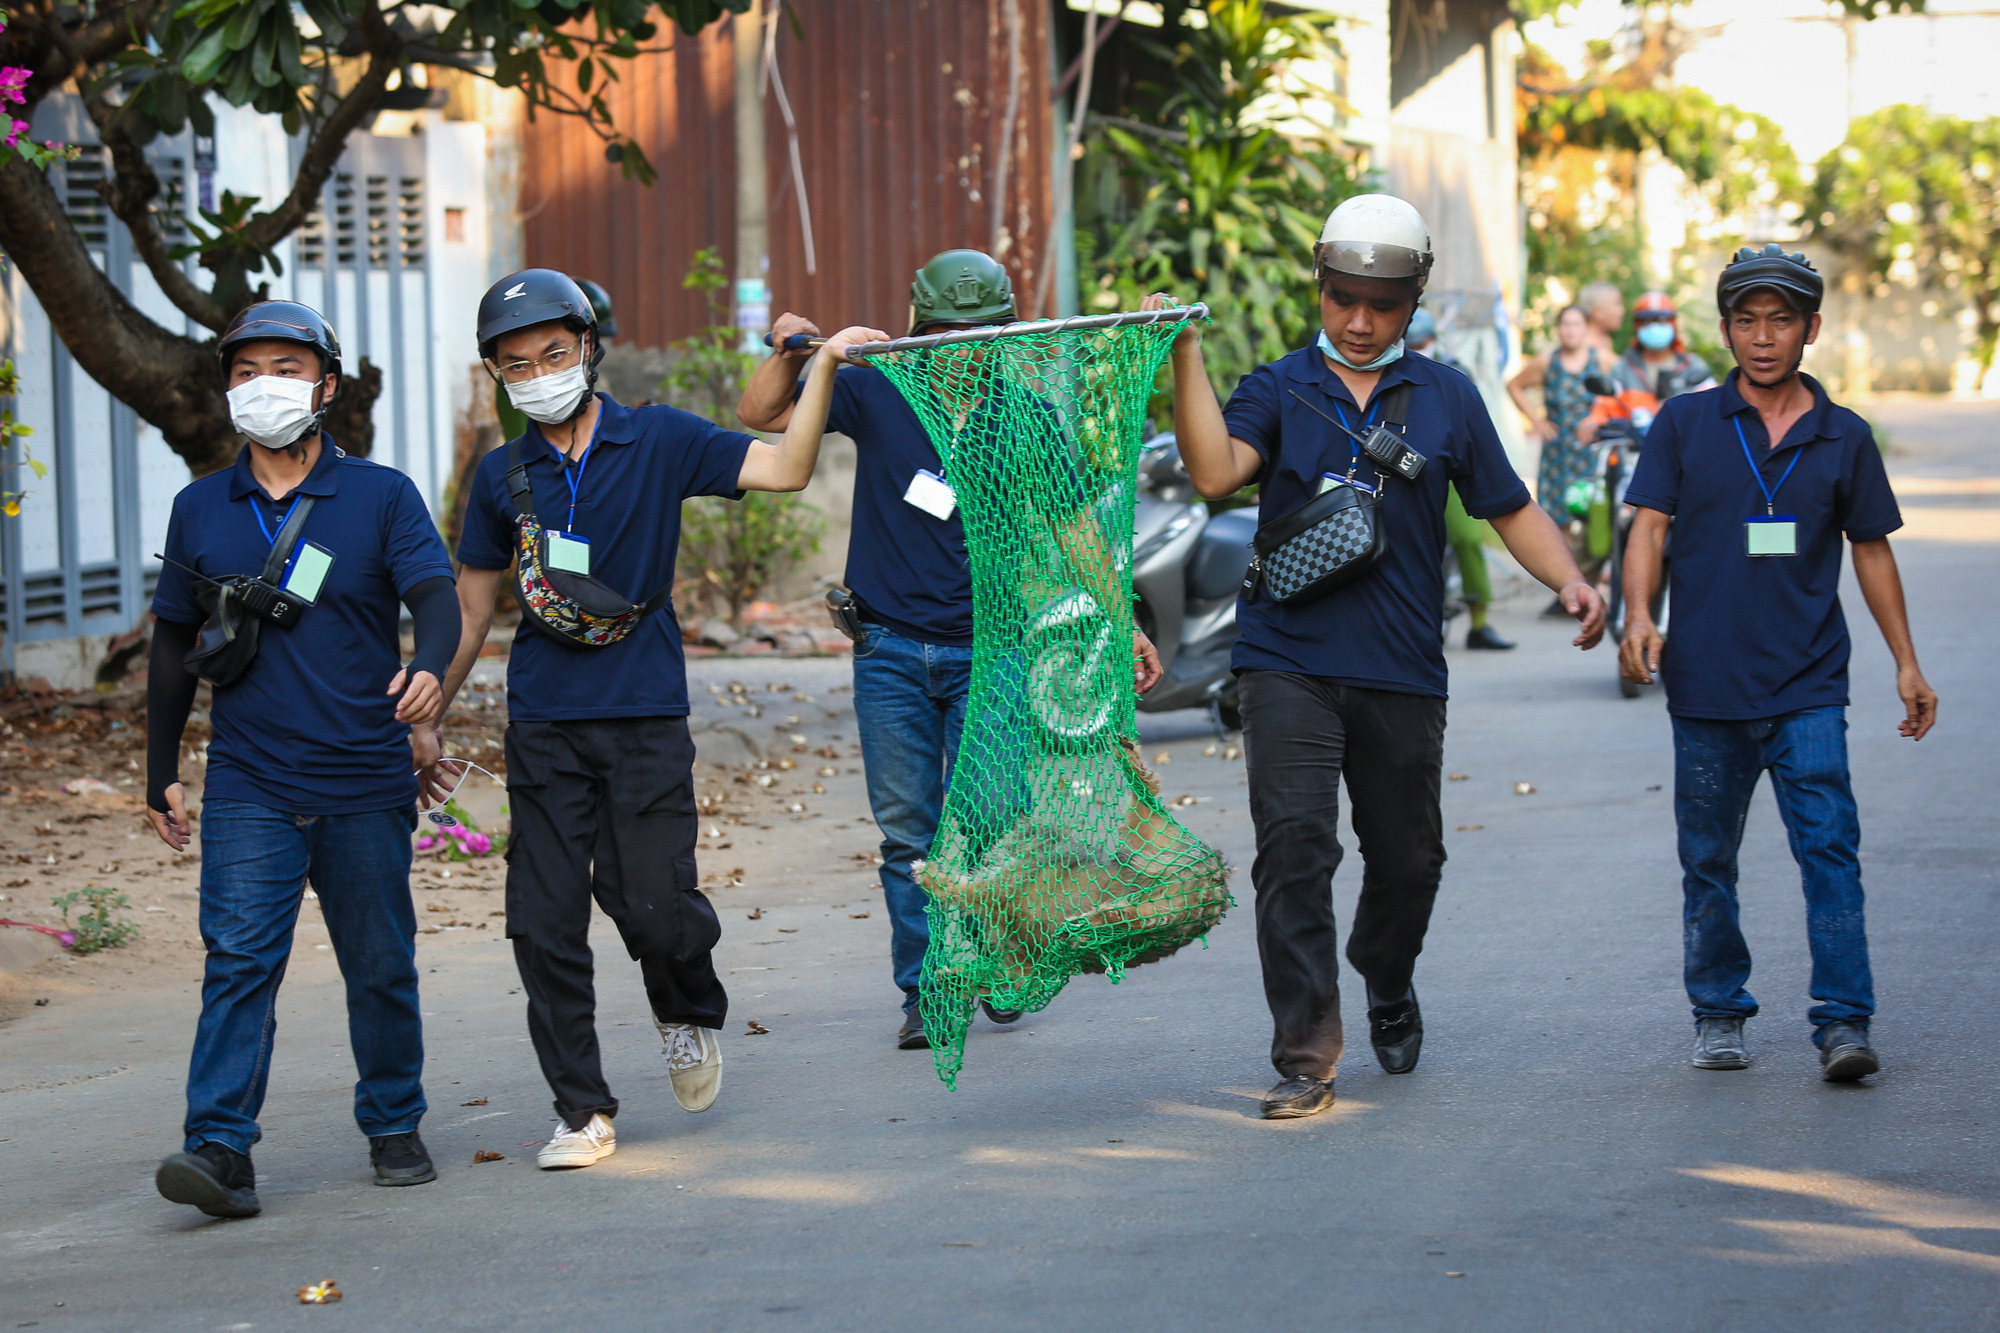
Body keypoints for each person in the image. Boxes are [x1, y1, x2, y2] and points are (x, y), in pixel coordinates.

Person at [1149, 195, 1606, 1120]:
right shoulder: (1278, 387)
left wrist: (1571, 581)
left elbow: (1507, 506)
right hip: (1285, 658)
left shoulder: (1446, 397)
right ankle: (1306, 1053)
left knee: (1409, 859)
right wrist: (1184, 352)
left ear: (1412, 300)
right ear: (1320, 287)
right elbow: (1212, 472)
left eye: (1383, 304)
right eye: (1343, 298)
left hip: (1401, 667)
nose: (1360, 321)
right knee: (1294, 849)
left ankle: (1385, 974)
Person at [423, 269, 876, 1169]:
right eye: (517, 364)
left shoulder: (659, 436)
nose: (539, 372)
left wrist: (820, 362)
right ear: (497, 377)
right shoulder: (499, 474)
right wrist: (424, 713)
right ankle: (582, 1109)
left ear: (588, 348)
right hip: (545, 724)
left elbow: (786, 468)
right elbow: (472, 612)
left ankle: (685, 1007)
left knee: (657, 909)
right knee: (541, 921)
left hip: (644, 716)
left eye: (554, 352)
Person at [735, 249, 1162, 1050]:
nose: (963, 348)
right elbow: (760, 415)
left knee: (996, 816)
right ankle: (927, 984)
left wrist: (1125, 618)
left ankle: (998, 958)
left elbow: (1074, 530)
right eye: (946, 332)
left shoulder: (1026, 416)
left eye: (981, 333)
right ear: (919, 328)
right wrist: (798, 351)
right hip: (889, 648)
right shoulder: (880, 389)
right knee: (909, 830)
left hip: (993, 651)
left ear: (1003, 334)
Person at [147, 301, 462, 1218]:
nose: (261, 386)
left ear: (324, 386)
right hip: (249, 778)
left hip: (364, 775)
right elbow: (171, 641)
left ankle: (395, 1120)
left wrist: (431, 670)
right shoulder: (201, 505)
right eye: (245, 372)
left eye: (284, 368)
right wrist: (160, 764)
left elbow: (434, 598)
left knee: (379, 960)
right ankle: (218, 1148)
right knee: (239, 957)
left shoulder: (381, 495)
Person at [1619, 245, 1936, 1082]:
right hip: (1707, 684)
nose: (1764, 337)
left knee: (1830, 848)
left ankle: (1844, 1022)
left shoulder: (1845, 437)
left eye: (1782, 319)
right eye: (1748, 320)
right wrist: (1640, 615)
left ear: (1811, 329)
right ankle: (1719, 1011)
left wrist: (1906, 661)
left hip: (1809, 686)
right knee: (1708, 861)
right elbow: (1647, 525)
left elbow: (1871, 550)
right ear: (1725, 329)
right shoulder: (1685, 424)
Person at [1406, 308, 1512, 651]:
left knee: (1467, 538)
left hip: (1444, 471)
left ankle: (1480, 621)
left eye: (1422, 342)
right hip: (1395, 471)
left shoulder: (1454, 374)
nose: (1418, 348)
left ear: (1434, 341)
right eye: (1412, 343)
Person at [1609, 290, 1715, 404]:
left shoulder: (1692, 366)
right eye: (1647, 321)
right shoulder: (1623, 368)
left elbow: (1713, 406)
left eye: (1661, 320)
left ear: (1673, 324)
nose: (1654, 326)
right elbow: (1606, 408)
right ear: (1638, 326)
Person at [1577, 281, 1626, 362]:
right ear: (1598, 312)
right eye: (1617, 304)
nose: (1622, 311)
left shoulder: (1605, 340)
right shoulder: (1584, 346)